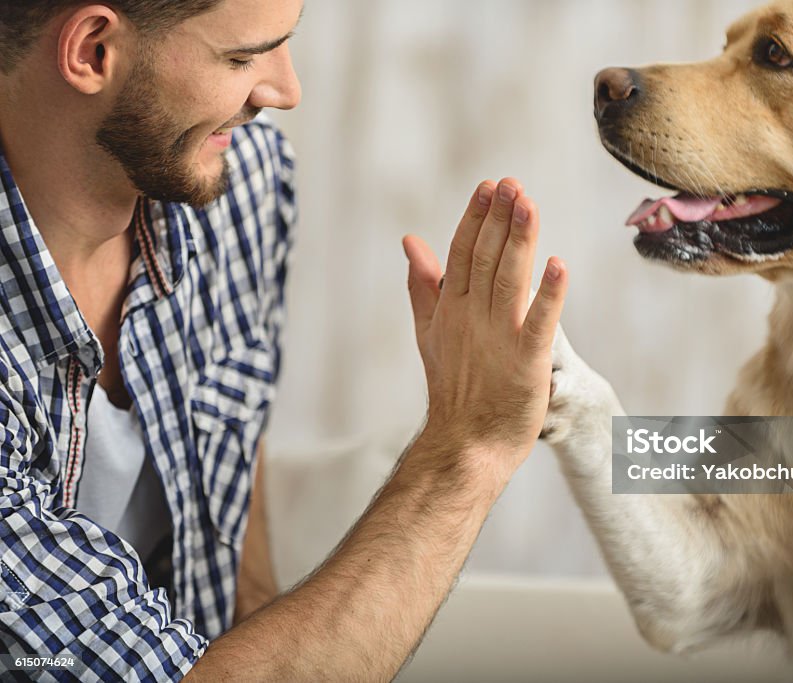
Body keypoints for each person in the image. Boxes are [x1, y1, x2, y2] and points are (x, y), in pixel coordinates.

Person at [0, 0, 567, 680]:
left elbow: (232, 477)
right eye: (240, 58)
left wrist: (258, 613)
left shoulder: (239, 181)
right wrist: (469, 449)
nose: (285, 91)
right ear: (93, 51)